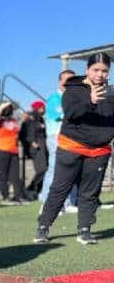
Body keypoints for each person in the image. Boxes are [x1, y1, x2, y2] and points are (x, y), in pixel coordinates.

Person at [35, 53, 114, 245]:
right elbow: (71, 114)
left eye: (105, 70)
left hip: (99, 151)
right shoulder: (72, 90)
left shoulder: (111, 93)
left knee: (90, 192)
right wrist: (91, 101)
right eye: (96, 70)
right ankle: (43, 226)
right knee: (60, 189)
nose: (100, 74)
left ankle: (85, 229)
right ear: (87, 70)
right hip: (72, 147)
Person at [40, 70, 78, 213]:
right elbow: (61, 115)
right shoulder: (53, 98)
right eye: (66, 79)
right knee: (55, 169)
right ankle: (46, 202)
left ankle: (68, 203)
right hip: (56, 137)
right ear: (60, 81)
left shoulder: (74, 98)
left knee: (71, 170)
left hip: (72, 138)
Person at [0, 102, 27, 205]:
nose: (9, 110)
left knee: (15, 176)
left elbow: (18, 128)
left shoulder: (12, 121)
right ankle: (6, 198)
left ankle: (18, 197)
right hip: (0, 151)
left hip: (13, 151)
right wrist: (1, 106)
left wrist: (23, 118)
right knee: (3, 176)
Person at [21, 100, 48, 197]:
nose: (43, 109)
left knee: (46, 169)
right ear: (36, 108)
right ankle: (31, 187)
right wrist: (32, 142)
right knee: (42, 169)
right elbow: (26, 133)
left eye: (44, 107)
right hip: (36, 147)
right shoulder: (30, 119)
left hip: (44, 146)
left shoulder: (41, 119)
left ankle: (38, 191)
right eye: (41, 108)